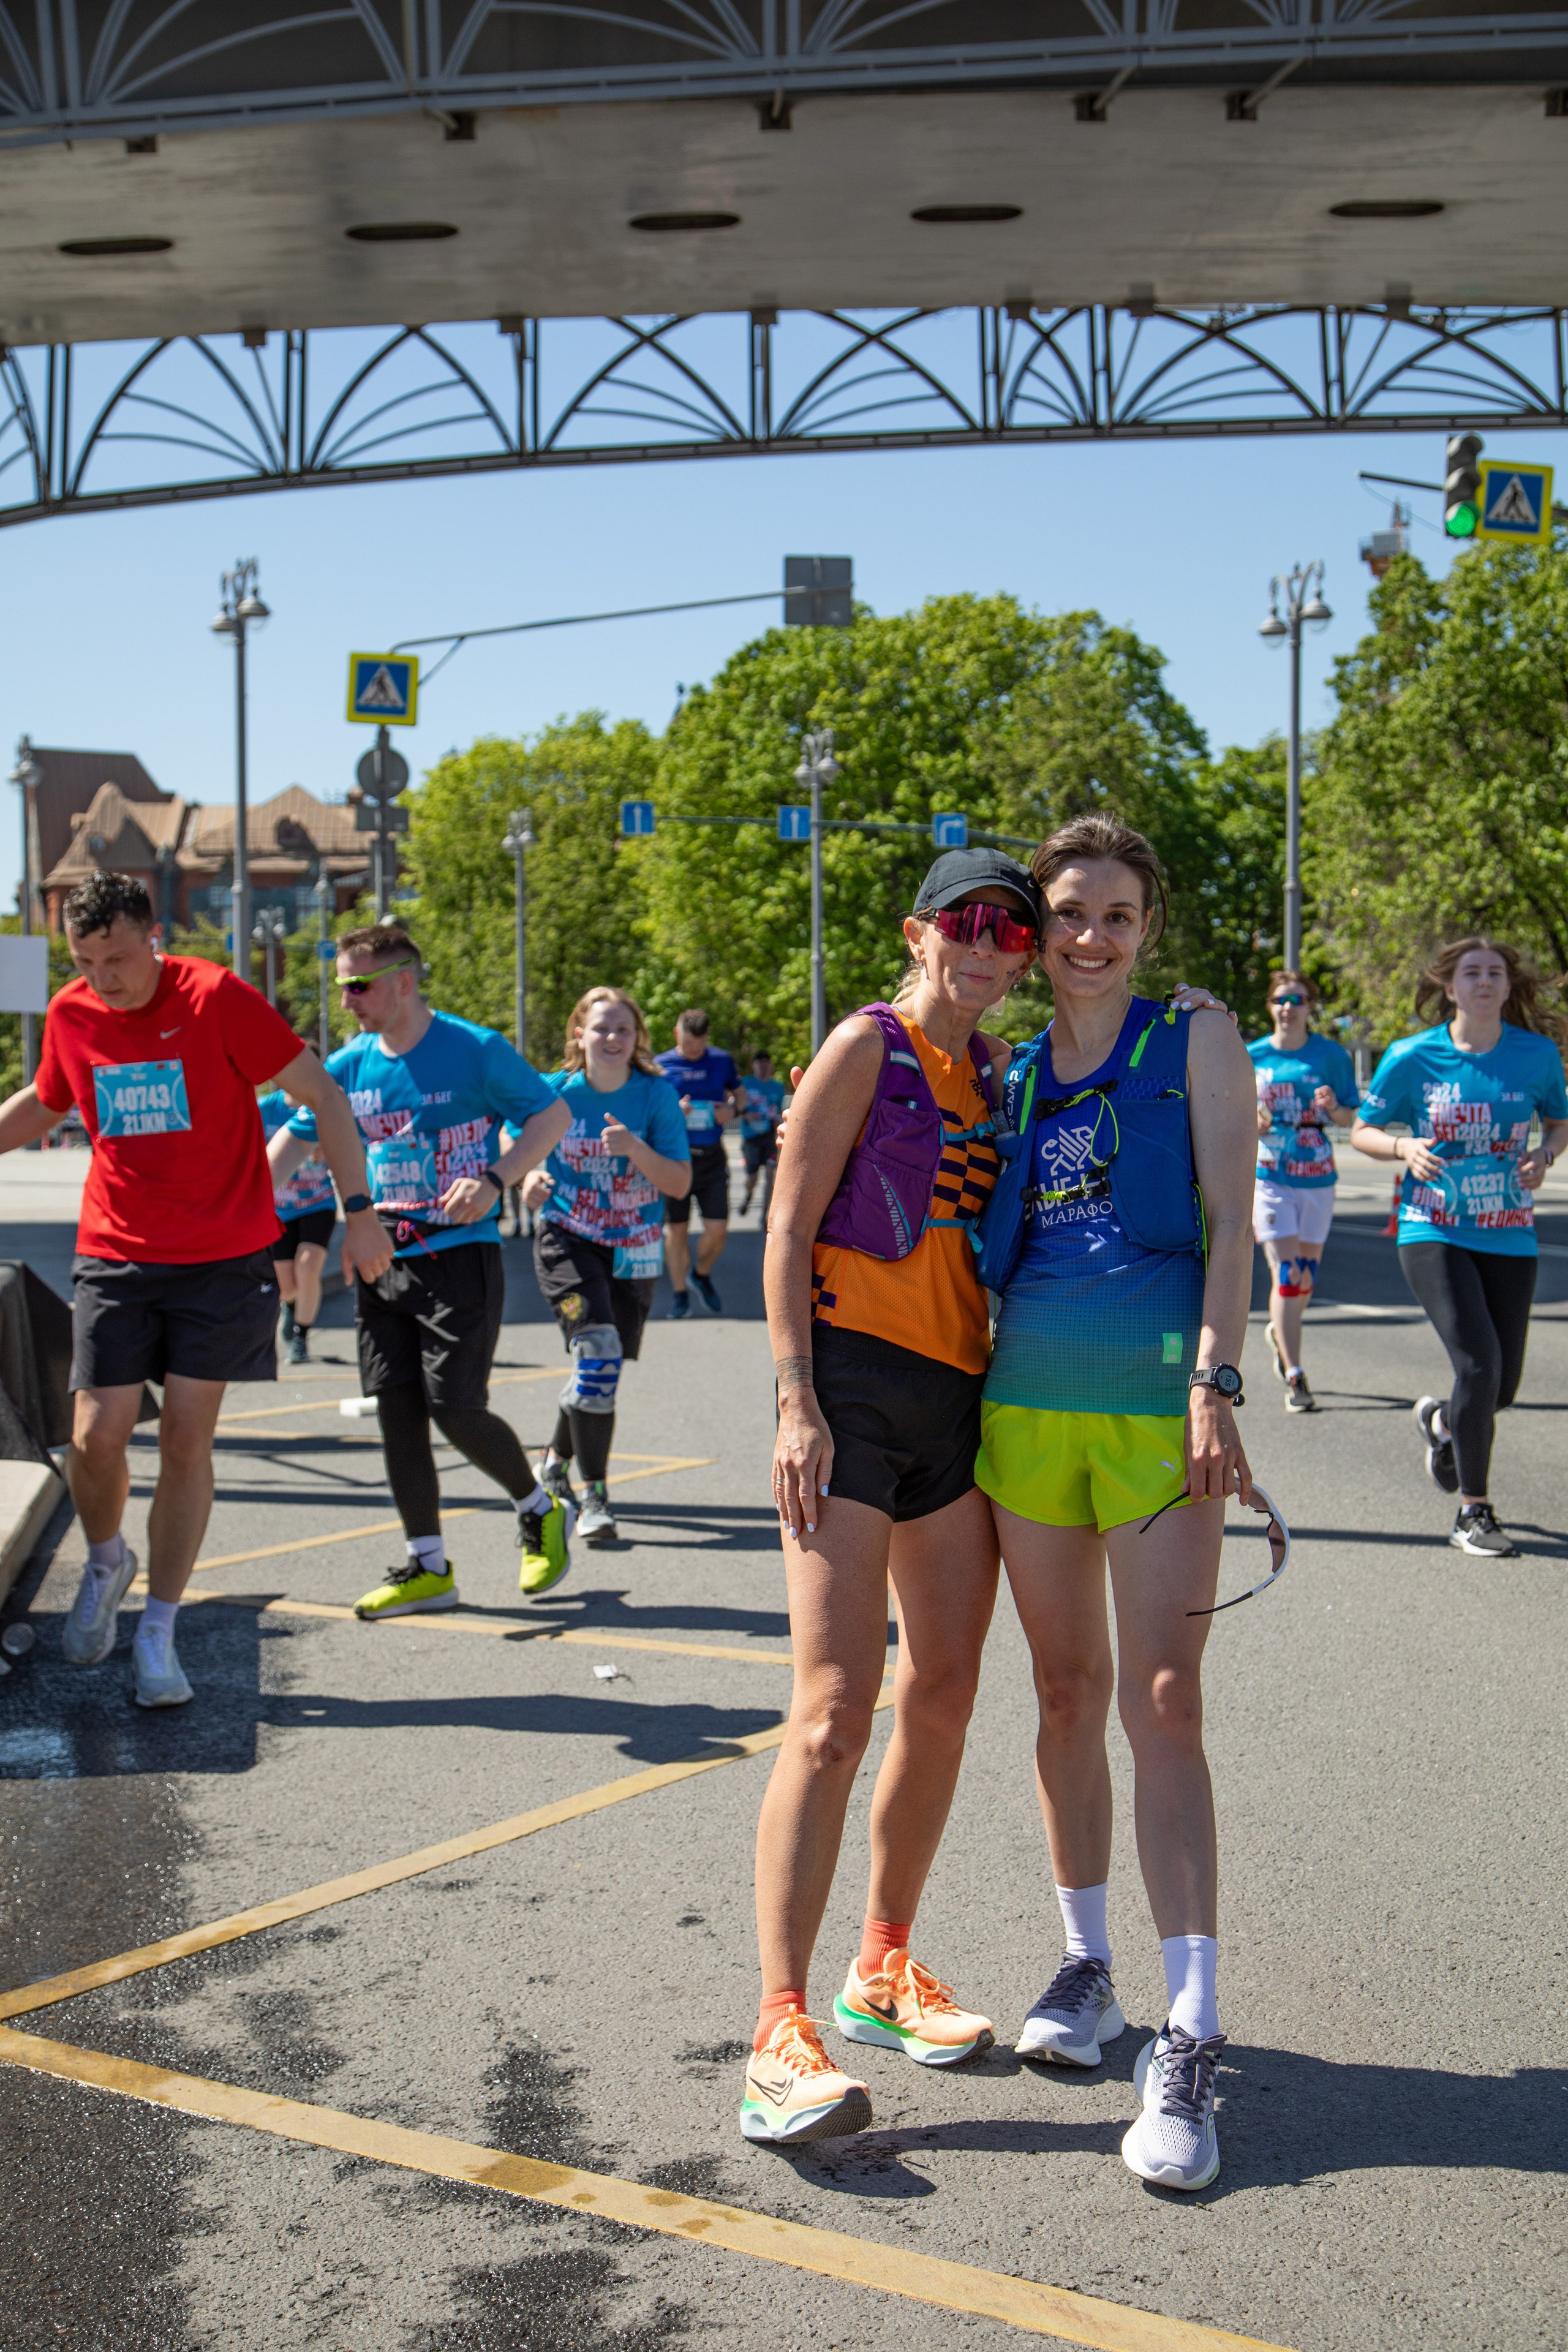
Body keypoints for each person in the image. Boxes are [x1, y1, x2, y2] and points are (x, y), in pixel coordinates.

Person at [973, 813, 1256, 2194]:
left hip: (1155, 1411)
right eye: (1071, 913)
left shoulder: (1195, 1040)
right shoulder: (1011, 1070)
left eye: (1119, 916)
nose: (1092, 937)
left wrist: (1216, 1382)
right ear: (1037, 928)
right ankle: (1086, 1964)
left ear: (1149, 930)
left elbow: (1233, 1225)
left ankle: (1190, 2027)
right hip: (1023, 1410)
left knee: (1164, 1701)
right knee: (1063, 1693)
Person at [744, 846, 1043, 2146]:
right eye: (967, 923)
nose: (987, 947)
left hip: (958, 1397)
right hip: (851, 1390)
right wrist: (794, 1399)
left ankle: (880, 1966)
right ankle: (776, 2030)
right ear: (920, 932)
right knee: (829, 1712)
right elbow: (786, 1224)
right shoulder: (864, 1046)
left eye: (1012, 934)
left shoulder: (999, 1073)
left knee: (946, 1688)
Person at [0, 872, 390, 1706]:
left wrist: (358, 1213)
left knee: (185, 1437)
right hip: (117, 1251)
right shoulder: (72, 1013)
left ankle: (158, 1629)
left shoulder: (215, 998)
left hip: (221, 1258)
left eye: (117, 958)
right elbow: (48, 1100)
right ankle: (107, 1561)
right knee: (95, 1436)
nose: (103, 978)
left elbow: (321, 1094)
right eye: (85, 961)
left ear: (154, 937)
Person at [268, 924, 574, 1615]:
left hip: (459, 1254)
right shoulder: (348, 1065)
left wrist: (495, 1180)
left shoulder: (474, 1048)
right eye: (341, 985)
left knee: (455, 1406)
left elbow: (551, 1118)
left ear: (403, 981)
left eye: (358, 985)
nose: (346, 1000)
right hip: (380, 1257)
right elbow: (288, 1147)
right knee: (397, 1413)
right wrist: (231, 1217)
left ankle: (538, 1506)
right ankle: (427, 1566)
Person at [1351, 935, 1568, 1558]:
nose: (1484, 981)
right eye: (1471, 973)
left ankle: (1443, 1421)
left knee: (1503, 1387)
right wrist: (1403, 1147)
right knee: (1477, 1365)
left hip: (1510, 1231)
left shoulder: (1536, 1055)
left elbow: (1559, 1120)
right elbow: (1363, 1129)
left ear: (1508, 986)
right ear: (1450, 988)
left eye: (1495, 972)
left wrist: (1545, 1154)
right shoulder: (1412, 1055)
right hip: (1434, 1228)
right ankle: (1473, 1512)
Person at [519, 987, 690, 1547]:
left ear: (637, 1037)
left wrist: (635, 1148)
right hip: (567, 1238)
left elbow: (679, 1183)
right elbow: (511, 1133)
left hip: (633, 1250)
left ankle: (553, 1463)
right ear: (579, 1034)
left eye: (623, 1029)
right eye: (601, 1028)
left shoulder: (656, 1095)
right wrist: (528, 1177)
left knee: (599, 1368)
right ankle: (594, 1495)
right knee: (598, 1352)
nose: (612, 1038)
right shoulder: (555, 1091)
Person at [1246, 972, 1360, 1413]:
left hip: (1317, 1175)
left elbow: (1350, 1118)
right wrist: (1250, 1119)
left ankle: (1281, 1330)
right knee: (1289, 1275)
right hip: (1270, 1175)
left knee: (1305, 1278)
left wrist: (1334, 1107)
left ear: (1311, 1006)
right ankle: (1295, 1375)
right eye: (1280, 1000)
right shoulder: (1252, 1055)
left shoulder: (1330, 1055)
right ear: (1269, 1006)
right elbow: (1228, 1111)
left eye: (1297, 1000)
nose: (1288, 1007)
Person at [656, 1009, 739, 1317]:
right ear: (677, 1034)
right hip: (675, 1157)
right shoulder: (660, 1066)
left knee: (718, 1230)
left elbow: (740, 1096)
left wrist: (731, 1110)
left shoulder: (721, 1060)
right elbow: (650, 1111)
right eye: (688, 1043)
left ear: (707, 1037)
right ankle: (680, 1295)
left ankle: (700, 1274)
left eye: (699, 1043)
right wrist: (673, 1112)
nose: (694, 1050)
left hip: (712, 1157)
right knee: (676, 1229)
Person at [259, 1044, 337, 1366]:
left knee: (308, 1266)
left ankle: (301, 1339)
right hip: (278, 1208)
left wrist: (325, 1149)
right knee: (286, 1285)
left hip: (318, 1203)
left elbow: (347, 1149)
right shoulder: (266, 1109)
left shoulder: (326, 1105)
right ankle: (291, 1307)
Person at [738, 1050, 785, 1220]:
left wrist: (778, 1120)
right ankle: (748, 1195)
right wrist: (746, 1115)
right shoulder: (746, 1084)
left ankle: (765, 1213)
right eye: (760, 1062)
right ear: (754, 1065)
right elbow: (736, 1107)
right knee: (753, 1178)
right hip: (751, 1138)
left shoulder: (778, 1087)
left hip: (769, 1137)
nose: (764, 1065)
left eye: (767, 1062)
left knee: (770, 1174)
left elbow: (778, 1111)